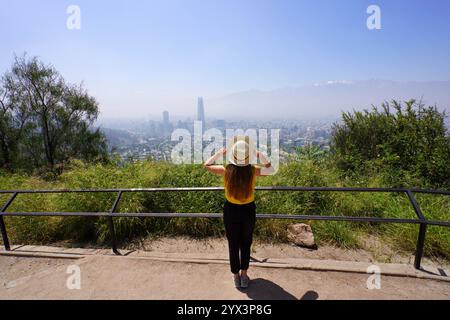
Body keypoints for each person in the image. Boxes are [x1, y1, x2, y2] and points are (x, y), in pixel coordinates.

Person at [203, 136, 275, 289]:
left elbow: (207, 165)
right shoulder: (252, 170)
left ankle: (235, 276)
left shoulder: (226, 170)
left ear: (232, 156)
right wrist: (259, 154)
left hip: (231, 210)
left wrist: (219, 153)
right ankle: (244, 274)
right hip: (248, 210)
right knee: (246, 243)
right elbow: (271, 169)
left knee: (233, 244)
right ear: (248, 156)